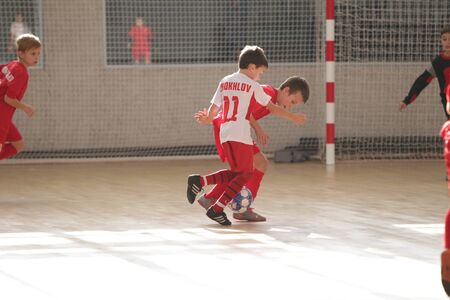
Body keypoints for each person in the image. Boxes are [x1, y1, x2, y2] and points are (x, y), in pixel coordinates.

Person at [194, 76, 310, 222]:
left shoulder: (271, 96)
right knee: (249, 168)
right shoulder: (267, 92)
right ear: (286, 91)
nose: (291, 106)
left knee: (251, 166)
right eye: (292, 101)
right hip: (230, 128)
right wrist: (259, 129)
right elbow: (245, 110)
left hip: (231, 127)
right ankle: (230, 205)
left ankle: (215, 199)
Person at [0, 33, 41, 160]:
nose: (36, 57)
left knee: (18, 144)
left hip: (5, 116)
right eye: (33, 54)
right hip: (1, 115)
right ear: (21, 54)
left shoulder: (12, 65)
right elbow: (8, 99)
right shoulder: (21, 73)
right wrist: (25, 107)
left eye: (38, 53)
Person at [400, 25, 450, 119]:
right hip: (448, 100)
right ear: (441, 41)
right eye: (444, 39)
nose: (448, 42)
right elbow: (421, 81)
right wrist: (407, 100)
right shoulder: (438, 63)